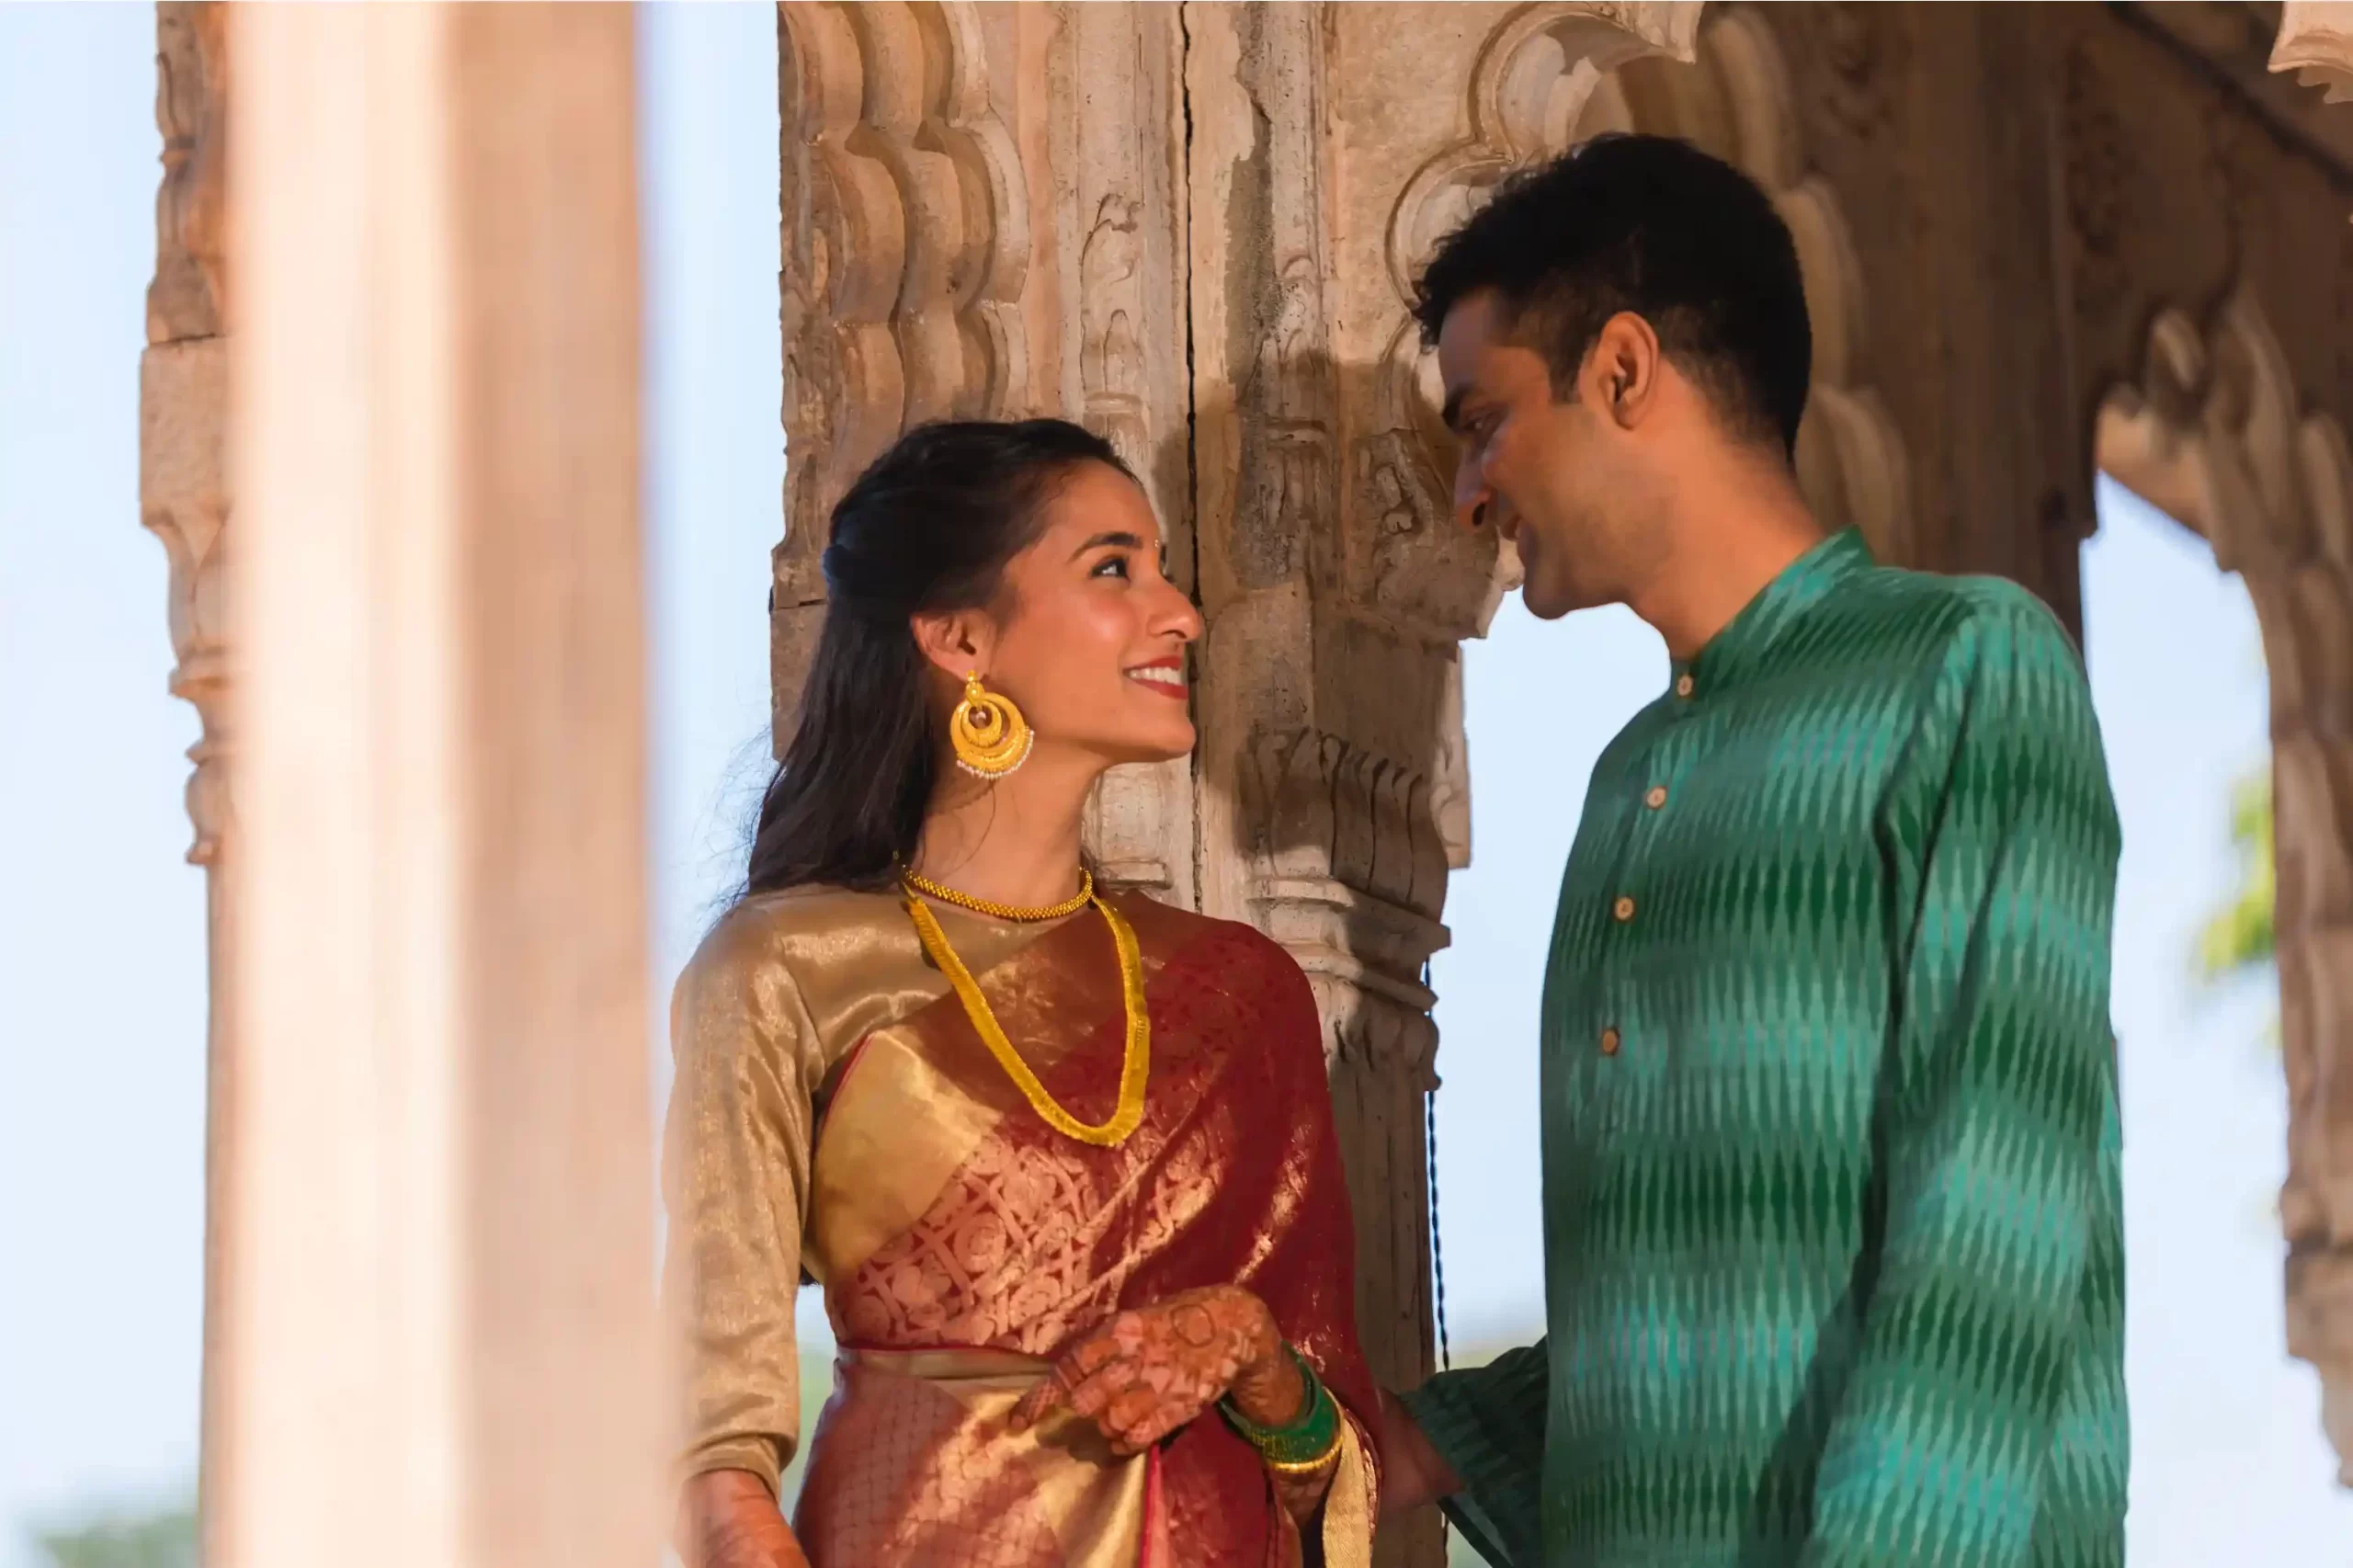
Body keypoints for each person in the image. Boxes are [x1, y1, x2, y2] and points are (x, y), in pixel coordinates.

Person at [1372, 133, 2127, 1567]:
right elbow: (1678, 1323)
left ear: (1623, 370)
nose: (1471, 489)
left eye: (1483, 419)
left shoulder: (1963, 667)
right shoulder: (1628, 783)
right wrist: (1386, 1441)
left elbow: (1995, 1211)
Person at [663, 418, 1384, 1568]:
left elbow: (1338, 1459)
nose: (1180, 612)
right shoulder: (782, 969)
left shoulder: (1241, 993)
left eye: (1159, 567)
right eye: (1114, 569)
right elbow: (713, 1455)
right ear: (960, 639)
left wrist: (1254, 1355)